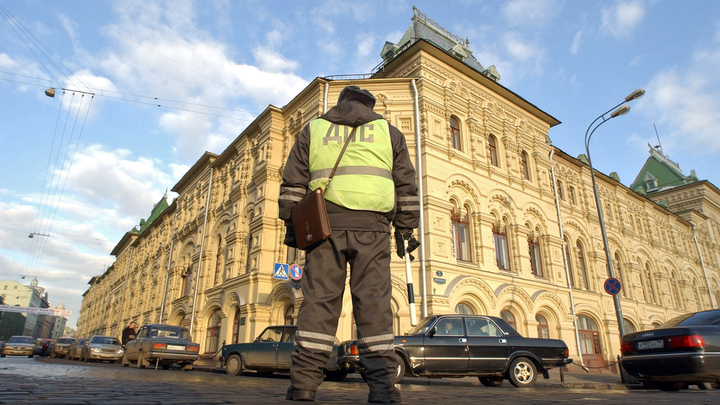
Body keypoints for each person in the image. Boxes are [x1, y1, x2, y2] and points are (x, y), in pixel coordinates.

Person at [279, 85, 420, 403]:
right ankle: (383, 389)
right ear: (370, 107)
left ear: (341, 104)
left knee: (318, 304)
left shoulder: (314, 129)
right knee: (374, 306)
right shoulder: (390, 133)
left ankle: (303, 386)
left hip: (323, 226)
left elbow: (292, 182)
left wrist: (292, 227)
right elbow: (406, 185)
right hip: (373, 229)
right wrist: (406, 230)